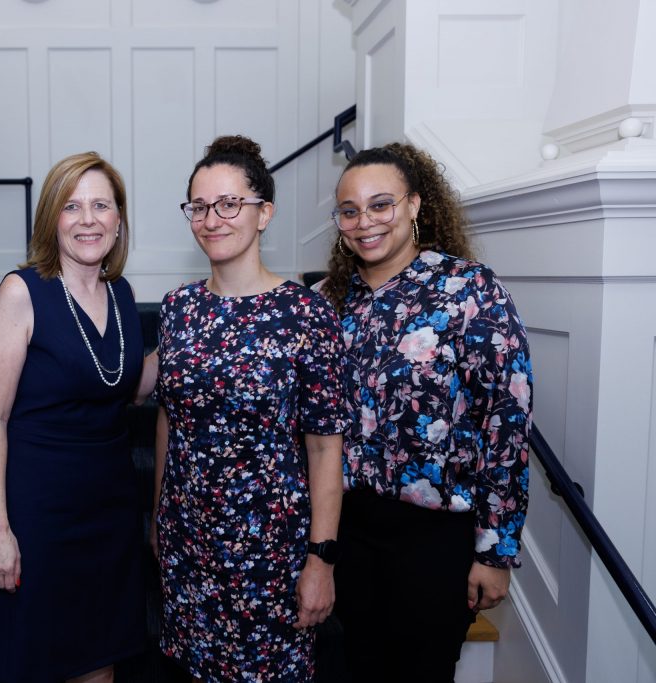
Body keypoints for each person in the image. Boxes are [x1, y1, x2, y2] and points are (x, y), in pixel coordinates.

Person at [321, 142, 533, 683]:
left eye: (381, 204)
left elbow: (505, 423)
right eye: (350, 210)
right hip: (350, 535)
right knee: (360, 669)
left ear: (415, 204)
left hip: (436, 540)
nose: (364, 221)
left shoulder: (468, 290)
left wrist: (496, 551)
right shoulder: (329, 299)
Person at [152, 135, 351, 681]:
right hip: (187, 540)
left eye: (229, 204)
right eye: (199, 206)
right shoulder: (179, 308)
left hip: (270, 551)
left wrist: (321, 559)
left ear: (264, 214)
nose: (212, 219)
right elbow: (169, 418)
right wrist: (157, 519)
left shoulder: (306, 313)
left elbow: (324, 447)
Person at [0, 151, 152, 683]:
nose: (88, 219)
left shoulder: (121, 293)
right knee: (41, 662)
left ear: (119, 219)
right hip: (41, 515)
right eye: (72, 206)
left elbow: (124, 389)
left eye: (101, 205)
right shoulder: (21, 291)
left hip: (111, 510)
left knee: (100, 663)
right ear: (51, 217)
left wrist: (199, 331)